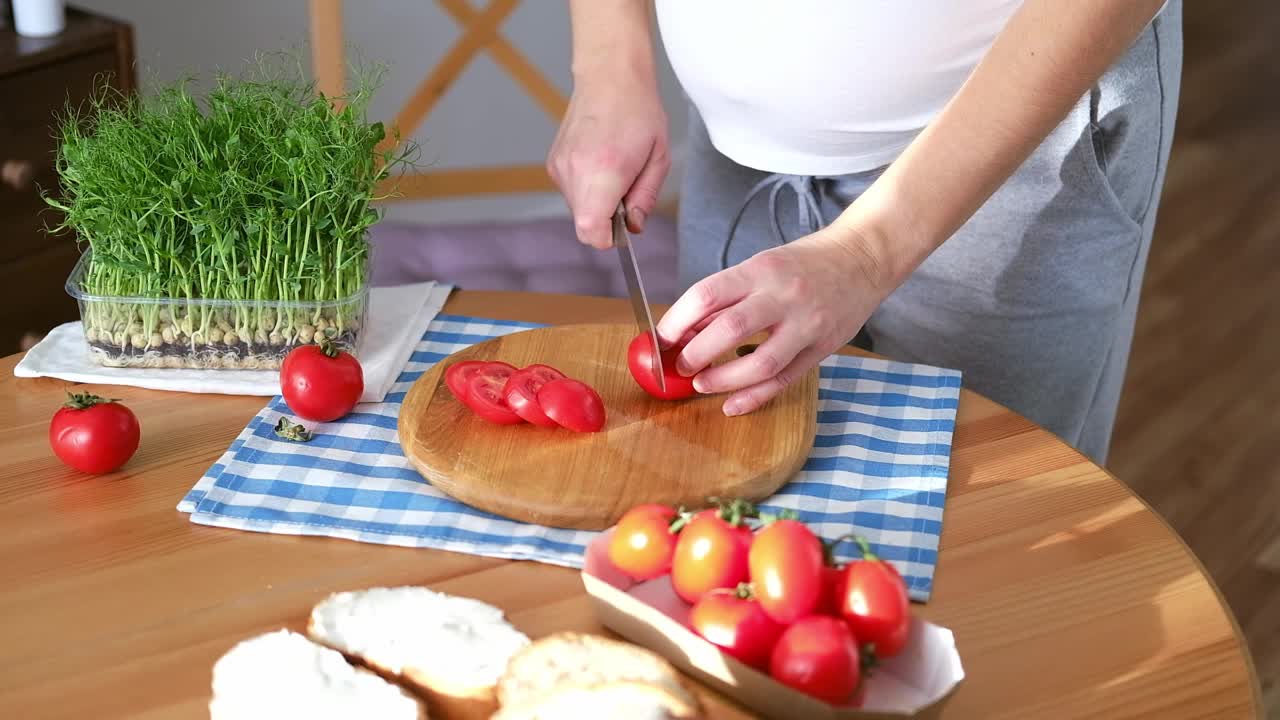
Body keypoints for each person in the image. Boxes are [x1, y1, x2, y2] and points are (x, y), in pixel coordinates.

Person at [547, 0, 1182, 466]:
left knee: (991, 507)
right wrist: (608, 64)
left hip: (1015, 146)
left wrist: (868, 251)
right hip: (737, 150)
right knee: (723, 465)